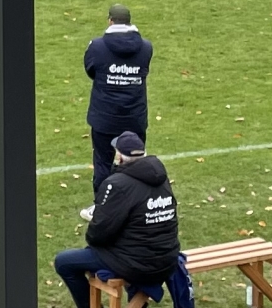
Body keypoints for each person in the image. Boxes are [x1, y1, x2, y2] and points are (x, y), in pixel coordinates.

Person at [53, 131, 180, 308]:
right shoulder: (161, 177)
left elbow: (99, 233)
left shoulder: (118, 184)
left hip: (139, 265)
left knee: (64, 262)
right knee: (128, 244)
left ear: (119, 156)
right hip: (167, 259)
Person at [80, 5, 153, 220]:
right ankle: (138, 207)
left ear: (110, 21)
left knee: (103, 162)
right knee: (136, 162)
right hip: (134, 116)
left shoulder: (97, 46)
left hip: (105, 117)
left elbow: (91, 70)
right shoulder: (146, 47)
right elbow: (144, 71)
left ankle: (103, 209)